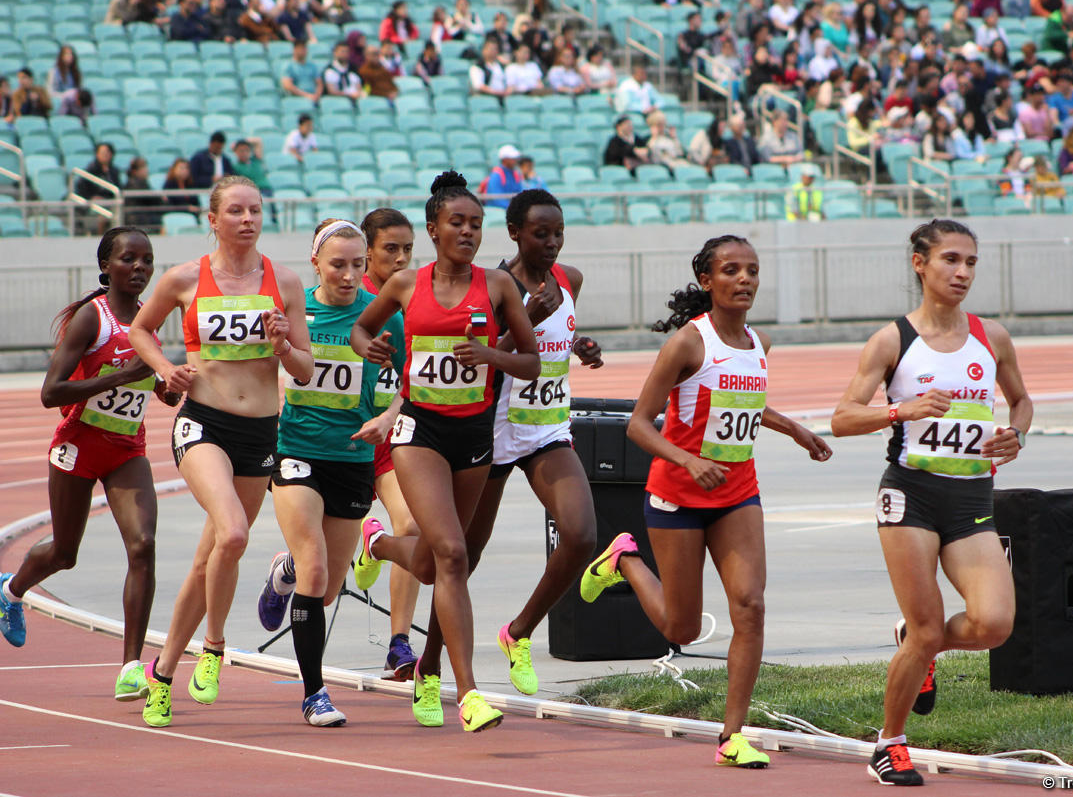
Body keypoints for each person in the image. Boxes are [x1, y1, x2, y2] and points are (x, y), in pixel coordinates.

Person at [580, 234, 831, 769]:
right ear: (706, 281)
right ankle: (622, 558)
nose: (744, 279)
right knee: (681, 630)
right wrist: (688, 460)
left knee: (751, 606)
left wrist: (794, 429)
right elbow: (638, 425)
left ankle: (732, 735)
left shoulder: (759, 343)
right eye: (731, 270)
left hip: (738, 493)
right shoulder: (688, 344)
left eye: (752, 271)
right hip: (678, 496)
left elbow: (747, 403)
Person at [368, 189, 603, 702]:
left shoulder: (570, 281)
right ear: (515, 233)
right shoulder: (496, 285)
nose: (553, 243)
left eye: (559, 233)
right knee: (456, 559)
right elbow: (476, 353)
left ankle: (517, 633)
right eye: (541, 233)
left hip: (543, 427)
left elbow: (549, 349)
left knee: (582, 533)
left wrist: (579, 346)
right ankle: (429, 666)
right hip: (488, 429)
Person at [830, 218, 1032, 787]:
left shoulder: (992, 337)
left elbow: (1020, 402)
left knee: (994, 624)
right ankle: (889, 744)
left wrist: (1015, 435)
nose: (962, 272)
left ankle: (917, 644)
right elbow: (842, 418)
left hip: (971, 496)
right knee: (925, 632)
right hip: (910, 495)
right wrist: (902, 410)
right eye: (950, 259)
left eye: (970, 262)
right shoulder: (895, 340)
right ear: (920, 263)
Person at [350, 170, 540, 732]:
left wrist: (492, 357)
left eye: (476, 225)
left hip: (473, 436)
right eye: (457, 223)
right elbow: (362, 331)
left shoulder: (499, 287)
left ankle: (379, 544)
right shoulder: (407, 284)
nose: (468, 232)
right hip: (419, 429)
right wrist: (374, 347)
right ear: (434, 228)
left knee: (436, 564)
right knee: (455, 554)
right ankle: (469, 693)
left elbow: (530, 361)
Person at [128, 176, 314, 728]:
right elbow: (142, 330)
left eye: (255, 210)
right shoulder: (185, 278)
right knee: (233, 532)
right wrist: (165, 369)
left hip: (261, 430)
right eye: (235, 211)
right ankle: (213, 647)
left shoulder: (285, 281)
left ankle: (161, 675)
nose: (247, 219)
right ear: (213, 218)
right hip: (202, 423)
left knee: (210, 558)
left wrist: (284, 342)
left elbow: (303, 369)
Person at [0, 227, 179, 702]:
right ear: (106, 267)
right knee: (64, 553)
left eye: (147, 260)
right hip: (79, 444)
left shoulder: (148, 324)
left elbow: (153, 386)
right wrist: (124, 374)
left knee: (142, 544)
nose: (140, 268)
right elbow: (50, 393)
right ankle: (11, 591)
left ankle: (130, 667)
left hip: (126, 450)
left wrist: (168, 387)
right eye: (129, 259)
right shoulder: (88, 319)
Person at [255, 219, 406, 726]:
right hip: (298, 450)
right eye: (337, 264)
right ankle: (314, 692)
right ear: (315, 262)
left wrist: (385, 419)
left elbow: (401, 383)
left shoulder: (384, 315)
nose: (348, 275)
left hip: (355, 460)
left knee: (327, 582)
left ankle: (285, 574)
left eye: (358, 265)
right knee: (318, 567)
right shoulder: (298, 312)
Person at [348, 208, 424, 680]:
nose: (400, 258)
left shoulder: (419, 297)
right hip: (346, 437)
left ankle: (399, 642)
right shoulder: (351, 298)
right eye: (389, 249)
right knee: (319, 555)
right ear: (367, 252)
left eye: (408, 249)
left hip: (394, 436)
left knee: (413, 525)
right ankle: (286, 571)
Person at [125, 157, 166, 231]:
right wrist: (161, 199)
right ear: (135, 171)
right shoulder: (136, 183)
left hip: (143, 215)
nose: (146, 171)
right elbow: (150, 198)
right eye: (143, 168)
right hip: (137, 218)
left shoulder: (141, 182)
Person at [484, 145, 524, 209]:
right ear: (505, 160)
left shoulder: (515, 174)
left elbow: (520, 193)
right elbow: (497, 199)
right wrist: (514, 208)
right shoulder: (496, 175)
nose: (515, 160)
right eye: (513, 158)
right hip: (497, 211)